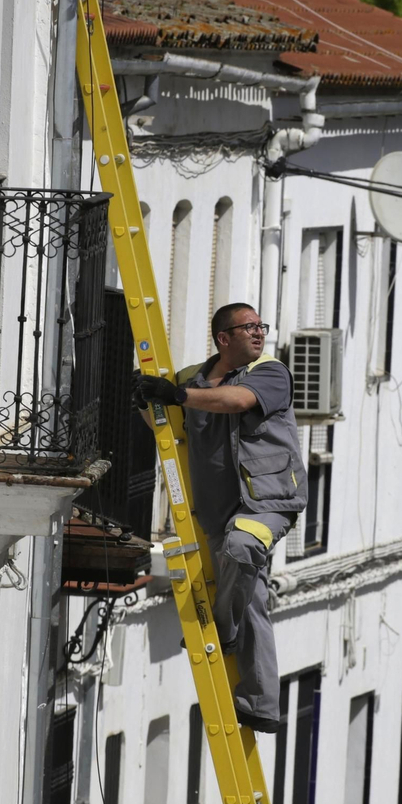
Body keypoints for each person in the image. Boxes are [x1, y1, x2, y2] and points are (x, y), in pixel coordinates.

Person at [133, 302, 307, 734]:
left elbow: (237, 401)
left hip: (269, 502)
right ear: (223, 338)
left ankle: (222, 630)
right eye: (248, 327)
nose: (259, 333)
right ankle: (261, 706)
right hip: (216, 511)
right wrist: (146, 394)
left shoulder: (270, 372)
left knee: (243, 547)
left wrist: (176, 395)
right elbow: (160, 412)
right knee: (253, 604)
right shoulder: (193, 377)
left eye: (261, 326)